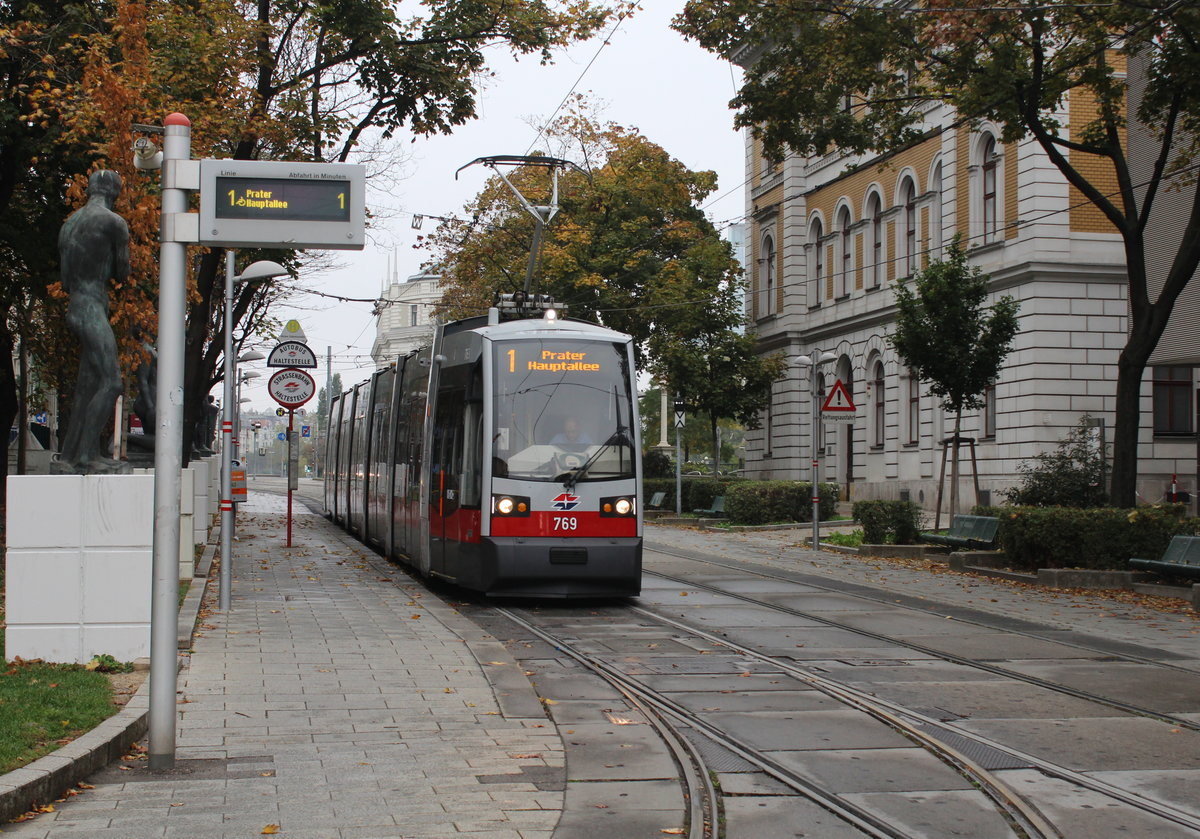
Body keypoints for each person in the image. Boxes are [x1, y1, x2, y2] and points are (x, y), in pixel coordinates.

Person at [56, 169, 131, 474]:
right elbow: (123, 272)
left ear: (89, 189)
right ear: (115, 192)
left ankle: (69, 457)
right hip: (92, 307)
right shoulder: (114, 223)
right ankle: (87, 455)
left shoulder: (69, 224)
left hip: (77, 304)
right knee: (112, 382)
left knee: (87, 386)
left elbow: (64, 280)